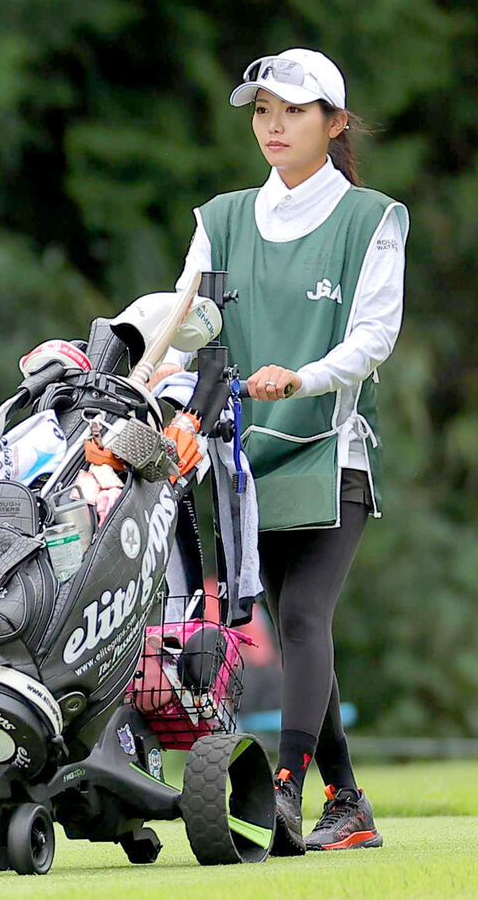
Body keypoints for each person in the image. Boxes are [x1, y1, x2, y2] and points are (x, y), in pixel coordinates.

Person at [153, 48, 405, 855]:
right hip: (243, 462)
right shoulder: (218, 218)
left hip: (334, 452)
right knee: (293, 626)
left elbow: (373, 337)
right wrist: (152, 366)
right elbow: (185, 323)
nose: (273, 125)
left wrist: (302, 376)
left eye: (293, 111)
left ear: (334, 124)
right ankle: (350, 802)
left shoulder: (374, 220)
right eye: (262, 110)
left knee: (302, 615)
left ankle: (288, 793)